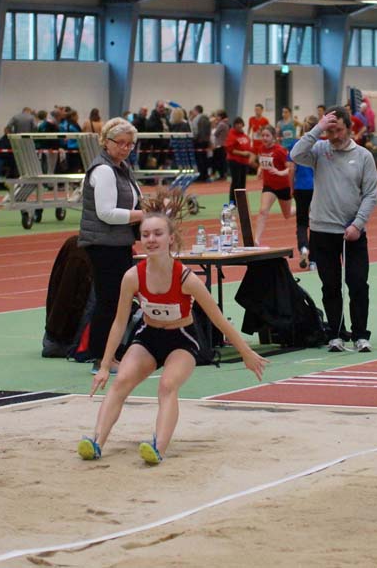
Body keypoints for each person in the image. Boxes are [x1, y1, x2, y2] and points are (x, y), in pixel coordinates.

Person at [79, 191, 268, 462]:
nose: (151, 240)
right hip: (148, 337)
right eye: (146, 235)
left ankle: (158, 447)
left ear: (170, 238)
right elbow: (119, 322)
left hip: (182, 340)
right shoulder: (132, 277)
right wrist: (106, 365)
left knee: (167, 386)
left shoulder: (186, 279)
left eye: (158, 234)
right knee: (121, 382)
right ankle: (96, 442)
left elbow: (217, 318)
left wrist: (246, 353)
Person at [290, 107, 377, 353]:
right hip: (322, 231)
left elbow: (371, 194)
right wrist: (318, 129)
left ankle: (360, 334)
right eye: (330, 131)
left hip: (353, 233)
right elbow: (295, 154)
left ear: (349, 128)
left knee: (357, 283)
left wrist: (357, 224)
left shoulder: (363, 156)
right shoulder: (319, 150)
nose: (334, 136)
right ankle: (336, 335)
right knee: (330, 285)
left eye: (338, 130)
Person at [77, 118, 144, 365]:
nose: (125, 148)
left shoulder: (121, 167)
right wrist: (143, 215)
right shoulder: (104, 170)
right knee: (110, 301)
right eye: (120, 143)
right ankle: (101, 356)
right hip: (104, 245)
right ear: (106, 142)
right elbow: (106, 213)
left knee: (118, 300)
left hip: (118, 243)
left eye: (130, 144)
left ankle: (109, 354)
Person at [253, 125, 293, 245]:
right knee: (263, 211)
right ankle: (256, 240)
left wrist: (279, 172)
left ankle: (303, 208)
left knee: (287, 214)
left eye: (267, 135)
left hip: (283, 186)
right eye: (263, 135)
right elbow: (262, 164)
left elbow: (290, 168)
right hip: (269, 186)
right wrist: (260, 170)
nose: (264, 138)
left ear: (273, 137)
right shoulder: (261, 149)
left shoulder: (280, 150)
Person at [288, 115, 318, 269]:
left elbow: (291, 169)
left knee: (301, 222)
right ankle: (313, 260)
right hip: (316, 188)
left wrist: (291, 188)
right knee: (315, 223)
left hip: (300, 187)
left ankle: (303, 248)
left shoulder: (295, 144)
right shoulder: (320, 145)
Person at [225, 116, 252, 204]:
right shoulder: (231, 135)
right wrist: (242, 153)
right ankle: (232, 202)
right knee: (236, 182)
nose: (239, 126)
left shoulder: (244, 135)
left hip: (244, 162)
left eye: (240, 124)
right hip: (234, 161)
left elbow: (249, 147)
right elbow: (230, 149)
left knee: (242, 183)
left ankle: (241, 202)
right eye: (237, 124)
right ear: (234, 125)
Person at [190, 105, 213, 182]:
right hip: (205, 141)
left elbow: (196, 131)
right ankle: (205, 175)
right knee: (204, 159)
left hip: (199, 142)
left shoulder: (196, 119)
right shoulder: (206, 118)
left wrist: (195, 140)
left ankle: (201, 176)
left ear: (196, 110)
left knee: (199, 160)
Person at [211, 109, 230, 180]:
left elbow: (215, 133)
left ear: (221, 116)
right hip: (223, 144)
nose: (216, 118)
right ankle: (223, 174)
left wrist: (214, 126)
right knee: (222, 161)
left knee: (218, 161)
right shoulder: (226, 123)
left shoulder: (221, 124)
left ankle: (221, 175)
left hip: (219, 144)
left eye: (217, 116)